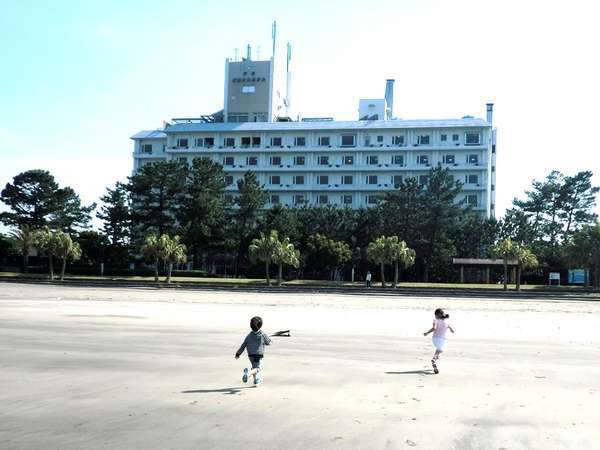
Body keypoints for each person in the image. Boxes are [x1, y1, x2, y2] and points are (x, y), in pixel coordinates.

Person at [235, 316, 271, 386]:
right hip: (258, 355)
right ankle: (248, 373)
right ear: (260, 326)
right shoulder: (262, 334)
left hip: (250, 355)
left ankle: (256, 380)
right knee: (257, 368)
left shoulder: (249, 335)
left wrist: (238, 353)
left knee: (254, 367)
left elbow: (244, 345)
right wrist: (269, 341)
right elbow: (268, 342)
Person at [423, 308, 454, 374]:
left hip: (434, 339)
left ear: (437, 315)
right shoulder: (447, 321)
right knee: (440, 351)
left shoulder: (435, 320)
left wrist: (427, 333)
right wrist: (451, 330)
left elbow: (434, 328)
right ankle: (434, 360)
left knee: (438, 349)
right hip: (442, 339)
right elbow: (449, 326)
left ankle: (434, 359)